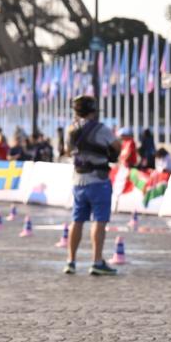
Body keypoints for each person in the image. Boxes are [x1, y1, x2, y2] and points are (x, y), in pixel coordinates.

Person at [64, 95, 121, 276]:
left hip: (78, 180)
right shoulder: (101, 129)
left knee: (77, 220)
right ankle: (97, 261)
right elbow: (117, 146)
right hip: (98, 180)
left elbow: (67, 150)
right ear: (93, 111)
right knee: (99, 221)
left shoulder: (71, 129)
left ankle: (71, 261)